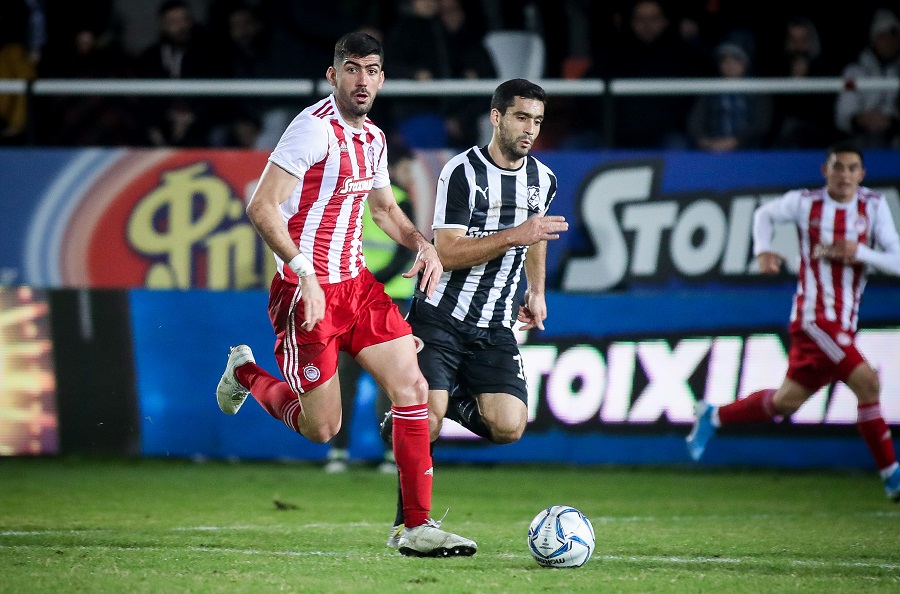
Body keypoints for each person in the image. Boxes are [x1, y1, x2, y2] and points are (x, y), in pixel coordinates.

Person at [215, 31, 477, 557]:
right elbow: (262, 206)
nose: (362, 80)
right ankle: (245, 374)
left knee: (412, 387)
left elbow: (383, 209)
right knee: (322, 427)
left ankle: (415, 527)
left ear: (382, 79)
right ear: (333, 75)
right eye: (352, 69)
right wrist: (304, 273)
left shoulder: (374, 138)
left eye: (372, 70)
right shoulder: (312, 130)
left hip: (357, 288)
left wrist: (422, 244)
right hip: (304, 293)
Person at [380, 78, 568, 546]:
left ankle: (425, 410)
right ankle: (407, 526)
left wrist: (536, 290)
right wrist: (516, 234)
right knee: (427, 421)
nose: (530, 129)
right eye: (521, 117)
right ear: (497, 117)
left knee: (508, 426)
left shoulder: (543, 180)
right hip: (440, 314)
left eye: (537, 121)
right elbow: (446, 251)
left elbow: (536, 236)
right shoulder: (462, 172)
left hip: (496, 323)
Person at [686, 140, 900, 502]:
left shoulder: (874, 206)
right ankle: (893, 477)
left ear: (862, 174)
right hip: (815, 318)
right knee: (868, 383)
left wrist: (860, 252)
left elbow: (896, 260)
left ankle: (714, 415)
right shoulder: (805, 202)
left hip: (844, 323)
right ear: (825, 170)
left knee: (786, 402)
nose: (844, 175)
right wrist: (762, 251)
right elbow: (763, 215)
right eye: (838, 167)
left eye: (852, 168)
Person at [324, 145, 419, 474]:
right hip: (383, 300)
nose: (410, 175)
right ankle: (374, 455)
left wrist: (362, 285)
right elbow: (405, 252)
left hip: (363, 298)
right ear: (391, 168)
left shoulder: (353, 197)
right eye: (406, 168)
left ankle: (347, 454)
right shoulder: (396, 200)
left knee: (353, 378)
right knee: (379, 379)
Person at [687, 41, 772, 152]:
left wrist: (736, 141)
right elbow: (695, 121)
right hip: (713, 149)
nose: (729, 65)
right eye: (725, 61)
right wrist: (705, 141)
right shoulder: (710, 89)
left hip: (748, 149)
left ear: (745, 63)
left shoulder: (758, 89)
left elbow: (761, 124)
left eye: (735, 60)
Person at [834, 9, 900, 150]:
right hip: (860, 140)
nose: (888, 41)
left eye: (893, 36)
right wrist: (860, 119)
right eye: (882, 36)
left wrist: (891, 122)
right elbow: (843, 113)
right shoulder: (853, 72)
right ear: (873, 39)